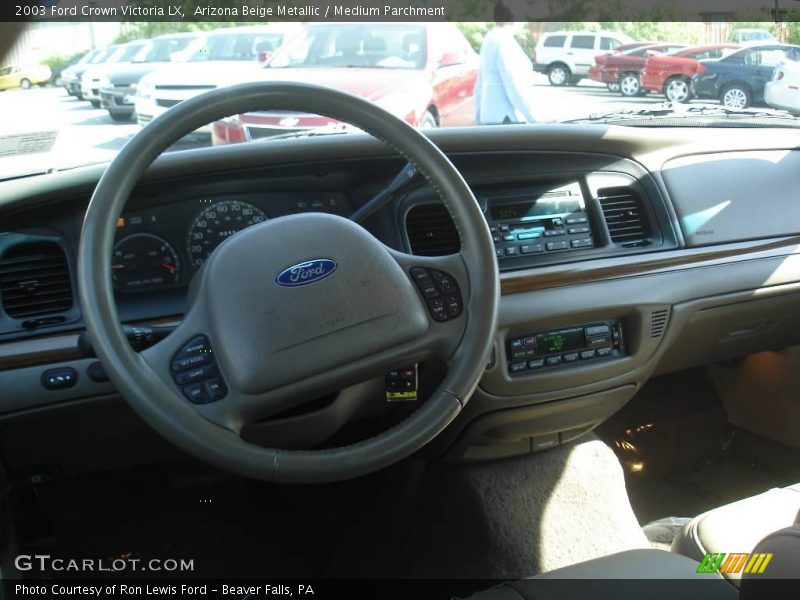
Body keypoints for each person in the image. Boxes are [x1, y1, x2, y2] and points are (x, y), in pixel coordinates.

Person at [474, 22, 536, 125]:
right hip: (506, 119)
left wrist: (478, 118)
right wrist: (535, 119)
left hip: (489, 117)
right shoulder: (504, 41)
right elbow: (515, 86)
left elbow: (479, 85)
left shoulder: (491, 38)